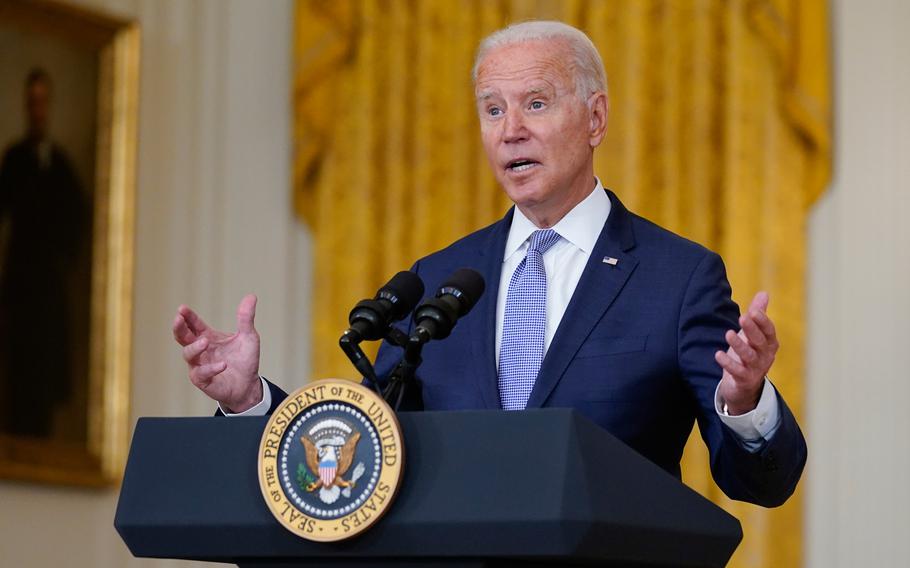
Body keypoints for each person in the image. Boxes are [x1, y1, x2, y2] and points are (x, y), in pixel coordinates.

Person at [173, 21, 805, 507]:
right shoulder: (442, 277)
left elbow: (761, 483)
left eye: (535, 103)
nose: (510, 131)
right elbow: (364, 445)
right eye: (492, 109)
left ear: (595, 118)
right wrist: (251, 401)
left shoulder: (678, 278)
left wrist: (745, 402)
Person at [0, 68, 90, 437]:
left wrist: (61, 257)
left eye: (42, 102)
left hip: (48, 292)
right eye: (31, 102)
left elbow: (78, 219)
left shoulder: (61, 165)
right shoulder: (16, 159)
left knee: (44, 381)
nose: (37, 110)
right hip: (20, 285)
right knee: (18, 376)